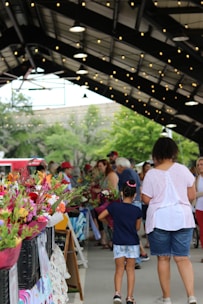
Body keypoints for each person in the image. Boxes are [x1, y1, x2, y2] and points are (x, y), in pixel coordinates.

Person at [142, 137, 197, 304]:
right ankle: (191, 296)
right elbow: (192, 195)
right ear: (174, 152)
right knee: (182, 258)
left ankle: (167, 298)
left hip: (160, 219)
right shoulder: (183, 170)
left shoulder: (151, 174)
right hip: (182, 217)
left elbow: (145, 199)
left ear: (156, 153)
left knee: (163, 258)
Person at [98, 180, 142, 304]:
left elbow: (101, 216)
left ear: (122, 193)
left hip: (118, 241)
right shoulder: (137, 210)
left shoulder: (114, 207)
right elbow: (137, 228)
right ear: (134, 195)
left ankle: (117, 294)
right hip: (132, 242)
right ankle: (129, 297)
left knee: (119, 269)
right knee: (130, 269)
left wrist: (111, 224)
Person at [115, 157, 149, 268]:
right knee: (133, 231)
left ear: (120, 166)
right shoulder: (133, 172)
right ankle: (135, 258)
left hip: (131, 202)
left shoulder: (125, 173)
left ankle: (136, 259)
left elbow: (127, 188)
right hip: (136, 202)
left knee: (131, 232)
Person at [195, 156, 203, 262]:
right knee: (202, 231)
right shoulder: (196, 179)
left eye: (202, 164)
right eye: (198, 165)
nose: (200, 166)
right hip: (199, 208)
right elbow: (193, 194)